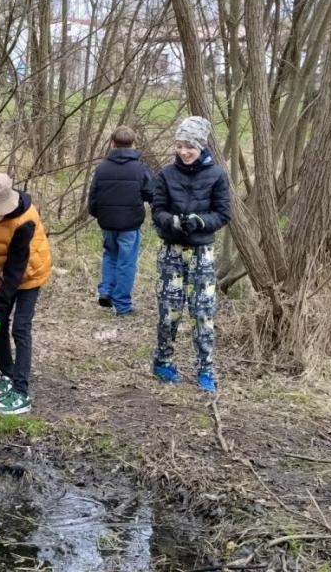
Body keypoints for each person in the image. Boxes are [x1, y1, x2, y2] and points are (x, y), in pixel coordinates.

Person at [149, 115, 231, 393]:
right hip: (171, 251)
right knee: (169, 310)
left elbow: (222, 214)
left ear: (201, 147)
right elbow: (157, 210)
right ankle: (162, 361)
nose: (184, 151)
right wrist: (169, 221)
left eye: (190, 146)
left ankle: (206, 369)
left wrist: (200, 221)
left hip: (202, 252)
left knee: (203, 312)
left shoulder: (217, 175)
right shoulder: (165, 175)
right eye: (180, 145)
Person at [0, 172, 53, 415]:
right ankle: (7, 374)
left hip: (29, 274)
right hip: (4, 272)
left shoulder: (25, 221)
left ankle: (21, 392)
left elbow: (16, 271)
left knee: (19, 327)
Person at [87, 124, 154, 315]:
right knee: (126, 261)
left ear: (112, 144)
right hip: (130, 224)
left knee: (110, 255)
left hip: (107, 222)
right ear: (133, 144)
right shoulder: (141, 169)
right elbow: (152, 193)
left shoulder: (102, 169)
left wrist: (98, 214)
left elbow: (93, 198)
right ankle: (123, 305)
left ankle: (106, 291)